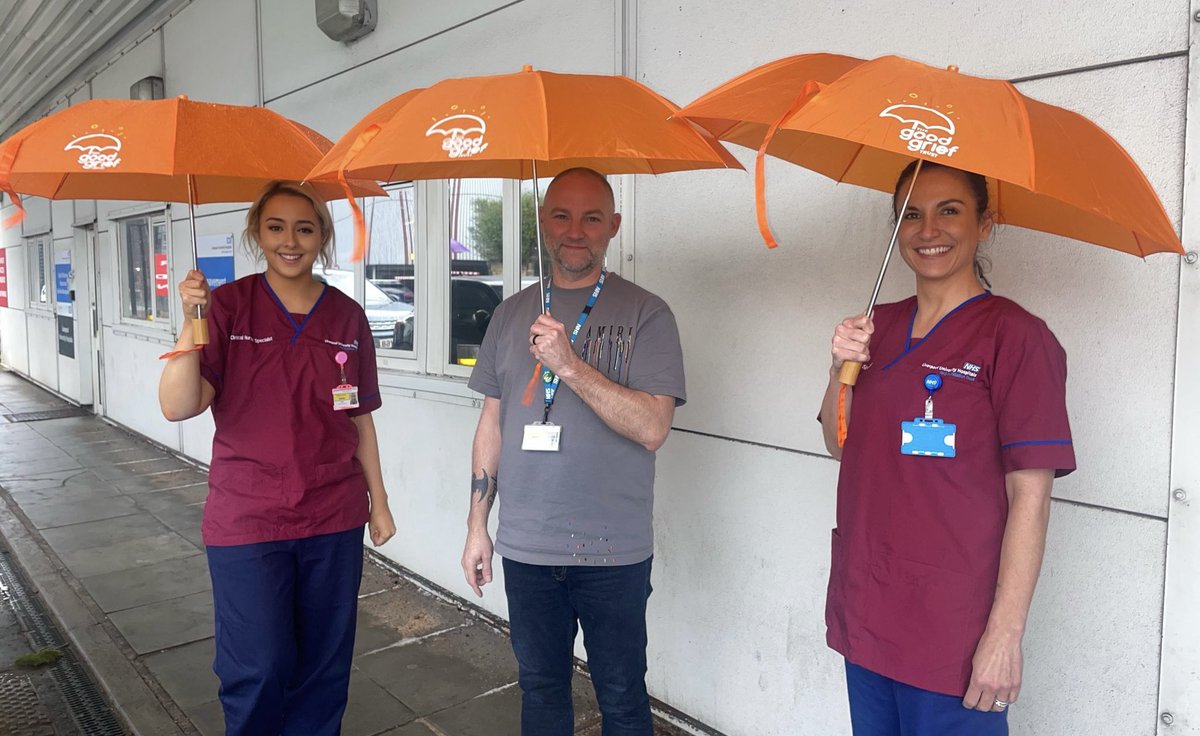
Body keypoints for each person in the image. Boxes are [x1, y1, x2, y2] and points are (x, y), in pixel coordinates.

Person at [818, 161, 1076, 736]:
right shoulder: (874, 327)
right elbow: (839, 443)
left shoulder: (1016, 337)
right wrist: (840, 367)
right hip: (869, 606)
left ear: (985, 223)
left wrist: (1005, 636)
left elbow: (1030, 499)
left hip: (952, 634)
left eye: (949, 210)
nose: (927, 229)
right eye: (911, 214)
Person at [158, 180, 396, 736]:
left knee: (322, 669)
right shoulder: (227, 308)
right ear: (257, 234)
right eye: (276, 227)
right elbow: (178, 405)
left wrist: (378, 504)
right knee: (258, 667)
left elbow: (359, 418)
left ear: (323, 237)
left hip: (333, 515)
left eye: (305, 228)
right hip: (248, 518)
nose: (291, 240)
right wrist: (190, 322)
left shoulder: (346, 317)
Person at [460, 167, 685, 735]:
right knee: (540, 691)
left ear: (613, 226)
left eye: (591, 217)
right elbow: (492, 422)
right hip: (528, 545)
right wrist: (477, 524)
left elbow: (654, 426)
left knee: (624, 699)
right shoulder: (510, 314)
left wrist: (569, 365)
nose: (575, 230)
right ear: (543, 222)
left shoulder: (647, 313)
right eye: (561, 214)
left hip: (614, 551)